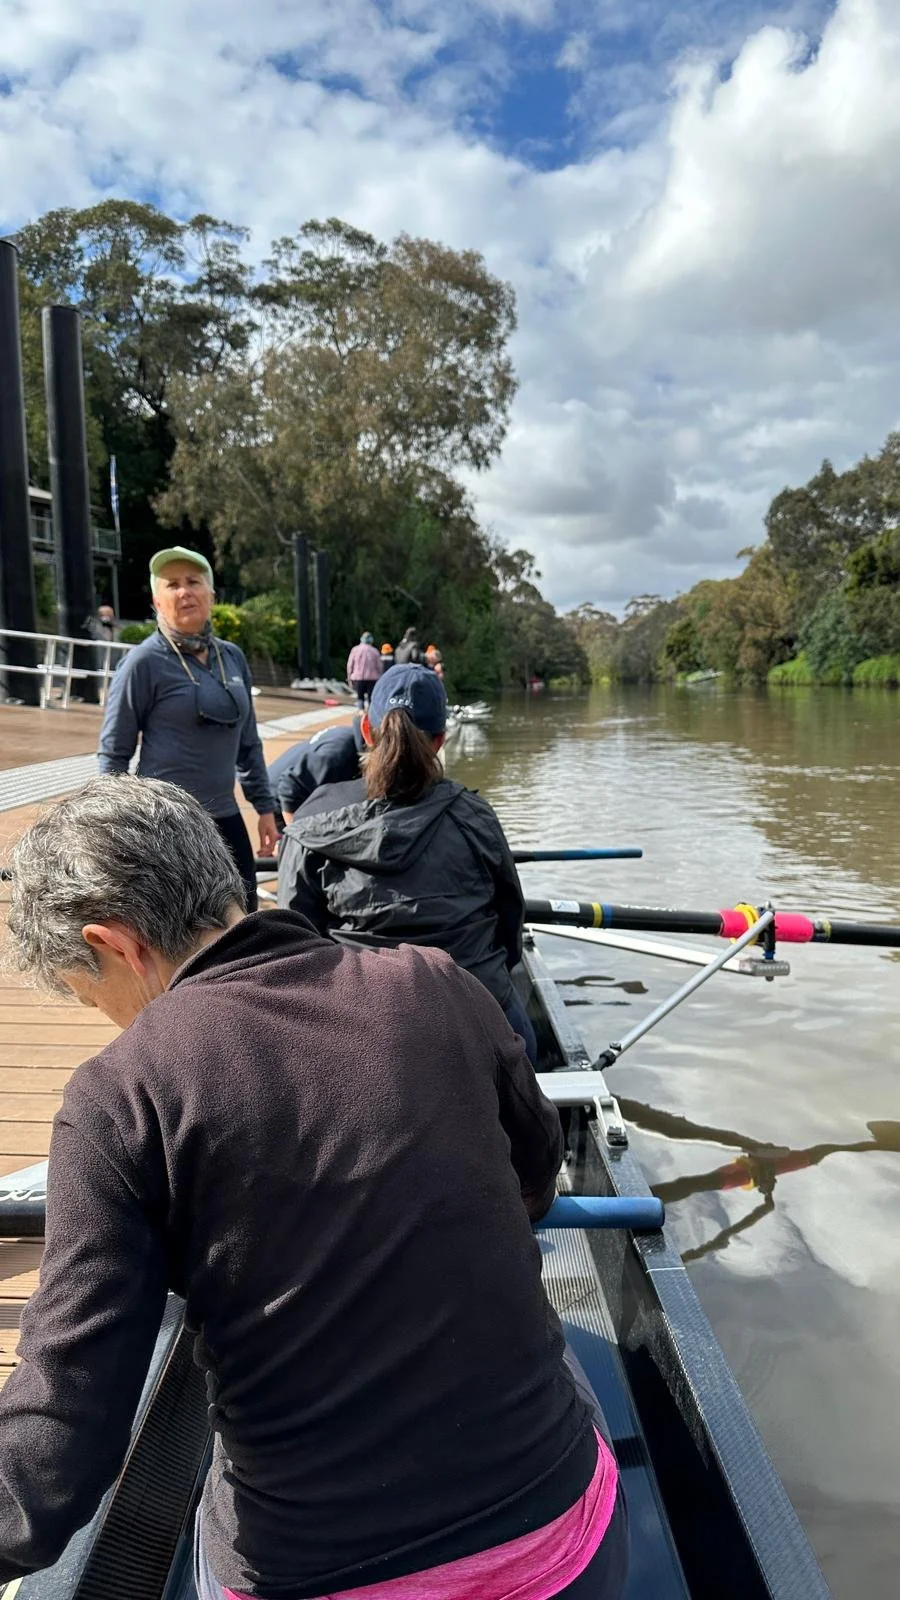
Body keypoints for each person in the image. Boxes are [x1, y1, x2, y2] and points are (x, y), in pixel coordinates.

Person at [1, 776, 627, 1600]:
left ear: (115, 944)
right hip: (558, 1542)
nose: (112, 1023)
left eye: (93, 997)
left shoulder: (120, 1096)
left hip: (315, 1572)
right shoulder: (435, 981)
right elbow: (535, 1179)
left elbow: (56, 1458)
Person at [277, 664, 538, 1060]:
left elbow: (293, 951)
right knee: (522, 1033)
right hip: (478, 1016)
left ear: (366, 730)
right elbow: (509, 929)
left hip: (360, 1026)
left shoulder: (312, 818)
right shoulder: (476, 816)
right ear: (440, 740)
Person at [96, 546, 277, 911]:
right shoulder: (143, 662)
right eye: (172, 585)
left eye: (193, 582)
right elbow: (114, 752)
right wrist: (111, 830)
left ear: (211, 595)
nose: (184, 592)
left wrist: (265, 808)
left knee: (244, 917)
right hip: (167, 824)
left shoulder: (232, 657)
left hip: (225, 816)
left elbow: (248, 744)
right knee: (181, 930)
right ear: (157, 602)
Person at [267, 715, 367, 825]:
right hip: (278, 798)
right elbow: (289, 788)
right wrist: (295, 835)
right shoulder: (338, 753)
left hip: (291, 786)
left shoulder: (350, 736)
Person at [346, 631, 383, 710]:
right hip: (372, 678)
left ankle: (360, 712)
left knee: (360, 697)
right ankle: (370, 713)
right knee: (371, 697)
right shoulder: (374, 651)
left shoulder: (355, 650)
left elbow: (350, 664)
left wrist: (349, 676)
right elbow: (379, 666)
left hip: (358, 677)